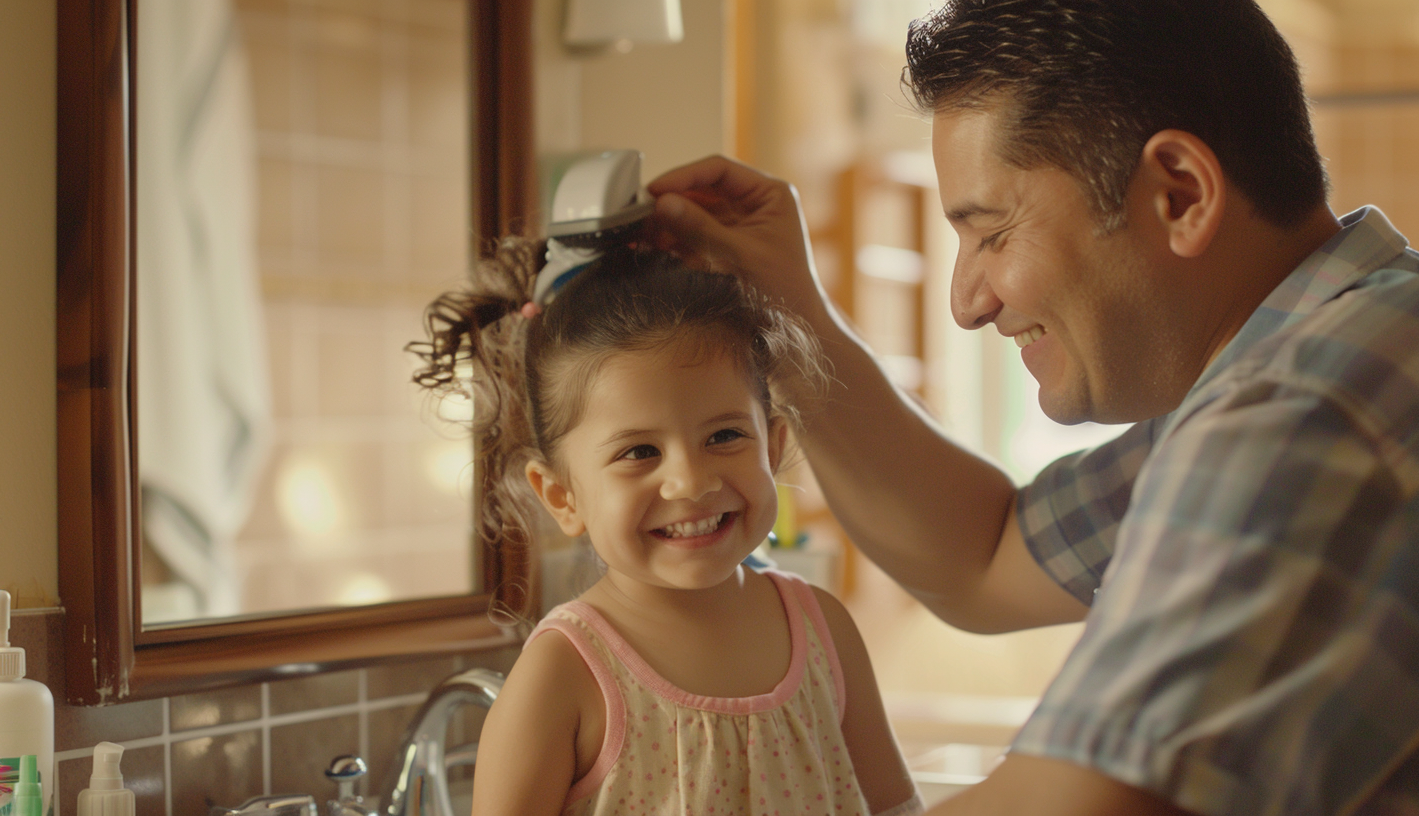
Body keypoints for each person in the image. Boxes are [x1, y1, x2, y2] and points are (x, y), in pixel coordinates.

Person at [644, 0, 1419, 814]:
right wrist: (787, 305)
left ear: (1181, 194)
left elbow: (1086, 803)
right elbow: (984, 557)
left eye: (992, 232)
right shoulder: (1344, 348)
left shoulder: (1300, 414)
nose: (965, 302)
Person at [411, 238, 923, 814]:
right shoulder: (563, 673)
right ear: (561, 496)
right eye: (639, 452)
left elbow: (896, 808)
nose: (691, 482)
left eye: (725, 436)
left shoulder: (824, 631)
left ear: (774, 445)